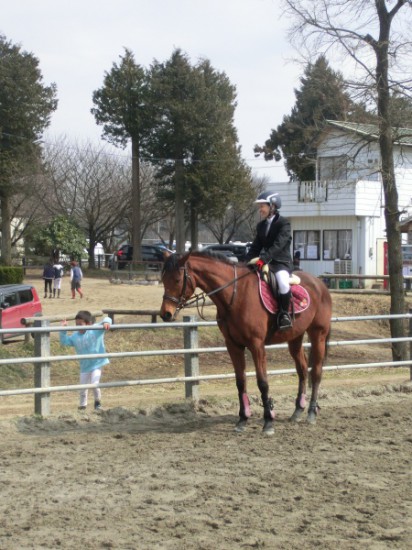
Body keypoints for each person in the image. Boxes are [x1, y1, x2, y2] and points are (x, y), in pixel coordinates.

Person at [245, 191, 293, 330]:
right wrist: (244, 263)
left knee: (283, 283)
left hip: (281, 263)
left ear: (272, 206)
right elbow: (255, 247)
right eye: (260, 206)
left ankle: (284, 315)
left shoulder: (284, 224)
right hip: (266, 262)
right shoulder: (261, 226)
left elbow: (278, 246)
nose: (260, 209)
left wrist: (262, 260)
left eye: (262, 206)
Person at [60, 310, 112, 411]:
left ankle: (97, 402)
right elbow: (64, 342)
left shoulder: (95, 330)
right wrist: (63, 330)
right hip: (85, 366)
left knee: (94, 383)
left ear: (88, 323)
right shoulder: (75, 336)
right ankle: (83, 406)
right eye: (76, 324)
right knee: (83, 388)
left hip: (96, 364)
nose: (78, 326)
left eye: (81, 324)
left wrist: (106, 322)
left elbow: (107, 318)